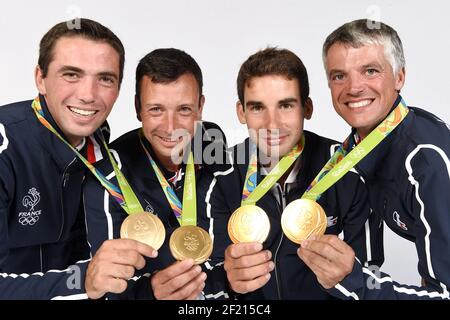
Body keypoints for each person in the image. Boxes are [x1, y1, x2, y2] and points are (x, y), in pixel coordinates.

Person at [208, 47, 382, 299]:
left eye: (286, 105)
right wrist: (227, 280)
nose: (272, 124)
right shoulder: (222, 173)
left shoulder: (348, 168)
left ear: (307, 108)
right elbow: (211, 277)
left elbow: (369, 273)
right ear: (241, 112)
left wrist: (348, 276)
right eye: (257, 108)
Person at [0, 18, 152, 299]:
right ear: (40, 79)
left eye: (105, 79)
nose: (88, 95)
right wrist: (84, 280)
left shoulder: (99, 138)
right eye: (71, 74)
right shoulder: (5, 146)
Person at [298, 19, 450, 300]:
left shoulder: (424, 161)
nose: (354, 88)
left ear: (399, 77)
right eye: (339, 75)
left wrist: (351, 280)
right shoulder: (361, 145)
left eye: (370, 71)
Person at [83, 48, 229, 300]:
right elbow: (105, 290)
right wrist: (150, 293)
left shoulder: (211, 142)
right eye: (156, 110)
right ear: (138, 108)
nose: (171, 127)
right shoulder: (108, 175)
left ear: (200, 107)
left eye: (184, 110)